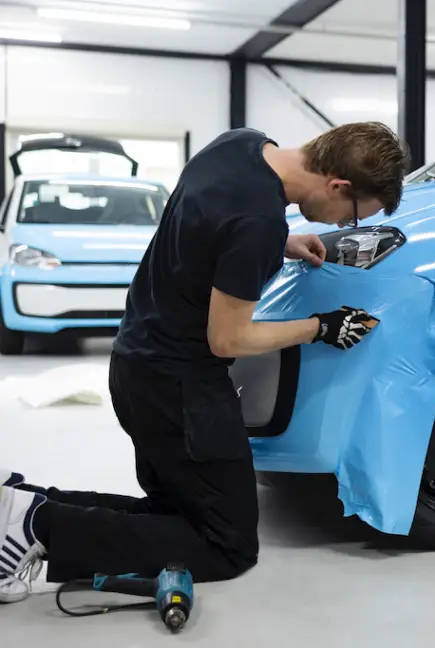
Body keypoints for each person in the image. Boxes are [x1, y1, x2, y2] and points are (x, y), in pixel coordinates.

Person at [0, 122, 410, 602]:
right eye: (356, 214)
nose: (344, 226)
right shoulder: (258, 222)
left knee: (178, 514)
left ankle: (23, 507)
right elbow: (228, 338)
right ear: (338, 185)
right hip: (181, 390)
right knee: (225, 544)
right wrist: (321, 326)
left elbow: (207, 223)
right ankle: (38, 523)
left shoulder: (239, 144)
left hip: (136, 364)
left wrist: (279, 245)